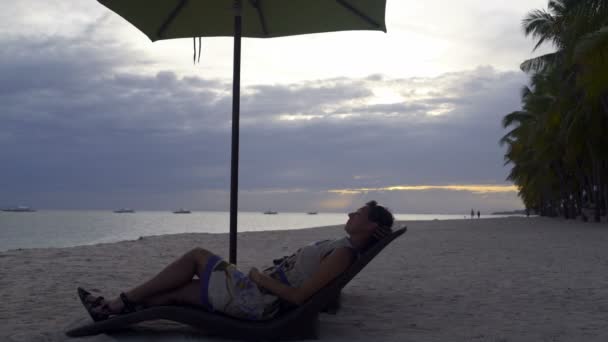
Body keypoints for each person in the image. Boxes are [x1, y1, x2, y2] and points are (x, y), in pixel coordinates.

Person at [79, 200, 395, 321]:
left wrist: (259, 278)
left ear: (369, 226)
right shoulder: (342, 247)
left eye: (358, 213)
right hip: (257, 293)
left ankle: (117, 303)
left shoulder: (342, 254)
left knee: (197, 256)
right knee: (180, 292)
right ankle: (112, 309)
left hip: (260, 300)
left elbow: (299, 297)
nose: (351, 213)